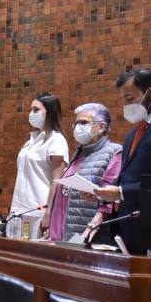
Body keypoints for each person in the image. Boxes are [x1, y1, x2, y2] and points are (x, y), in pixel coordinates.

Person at [94, 67, 151, 253]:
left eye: (130, 99)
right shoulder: (135, 131)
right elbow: (127, 176)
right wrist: (103, 193)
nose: (126, 106)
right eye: (123, 100)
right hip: (127, 228)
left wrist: (121, 192)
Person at [48, 103, 122, 243]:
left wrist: (95, 222)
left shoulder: (114, 152)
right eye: (76, 123)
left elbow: (109, 198)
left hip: (88, 233)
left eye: (83, 122)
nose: (77, 127)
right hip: (62, 233)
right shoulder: (79, 152)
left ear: (101, 127)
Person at [9, 92, 69, 236]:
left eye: (36, 110)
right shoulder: (31, 140)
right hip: (18, 210)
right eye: (31, 109)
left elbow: (57, 181)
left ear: (50, 112)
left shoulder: (57, 140)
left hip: (39, 211)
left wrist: (48, 213)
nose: (31, 113)